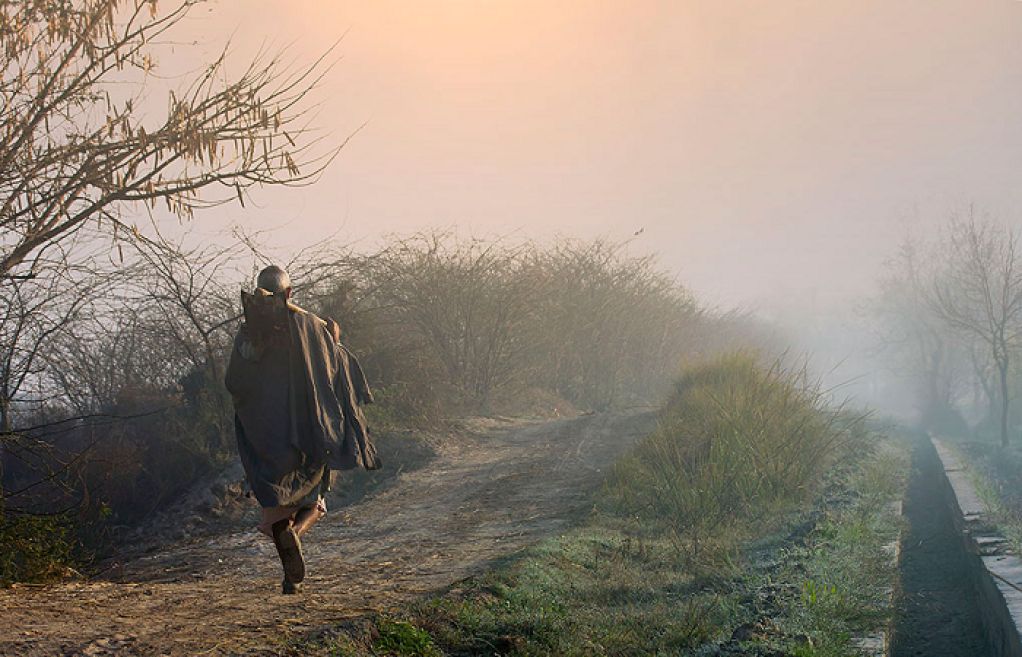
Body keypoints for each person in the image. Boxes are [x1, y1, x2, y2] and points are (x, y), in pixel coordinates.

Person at [225, 265, 380, 594]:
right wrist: (333, 339)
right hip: (307, 433)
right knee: (317, 496)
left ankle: (289, 575)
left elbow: (235, 382)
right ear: (289, 293)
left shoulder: (249, 334)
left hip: (266, 437)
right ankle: (296, 534)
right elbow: (328, 368)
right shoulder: (310, 326)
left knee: (278, 507)